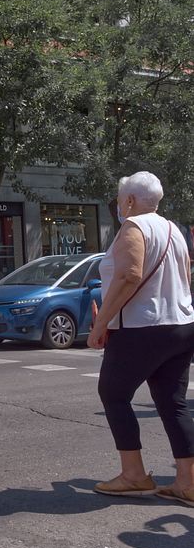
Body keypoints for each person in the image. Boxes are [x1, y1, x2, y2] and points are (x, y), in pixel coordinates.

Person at [87, 172, 194, 505]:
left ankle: (133, 474)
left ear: (130, 200)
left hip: (141, 326)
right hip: (181, 324)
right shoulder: (174, 229)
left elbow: (128, 276)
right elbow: (185, 275)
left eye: (120, 200)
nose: (119, 206)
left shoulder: (133, 227)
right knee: (173, 403)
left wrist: (100, 324)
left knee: (113, 394)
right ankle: (188, 482)